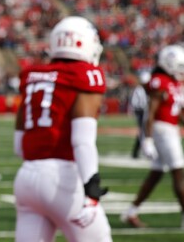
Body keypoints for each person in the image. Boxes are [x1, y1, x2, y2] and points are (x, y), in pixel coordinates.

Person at [13, 16, 112, 242]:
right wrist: (91, 188)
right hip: (62, 179)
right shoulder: (84, 75)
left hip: (26, 178)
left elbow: (19, 145)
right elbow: (82, 141)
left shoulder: (32, 76)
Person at [120, 44, 184, 229]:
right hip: (161, 129)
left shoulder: (174, 83)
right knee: (179, 172)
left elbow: (177, 112)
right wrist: (146, 139)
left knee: (156, 173)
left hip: (169, 128)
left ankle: (130, 212)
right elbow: (151, 112)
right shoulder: (159, 81)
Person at [128, 71, 151, 159]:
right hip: (141, 112)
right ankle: (139, 151)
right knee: (143, 132)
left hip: (147, 111)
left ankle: (138, 151)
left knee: (146, 132)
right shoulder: (138, 89)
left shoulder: (149, 89)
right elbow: (134, 103)